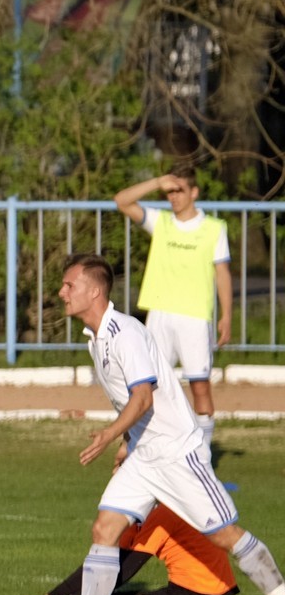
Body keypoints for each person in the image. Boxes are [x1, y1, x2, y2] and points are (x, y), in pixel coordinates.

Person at [43, 253, 284, 595]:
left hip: (177, 453)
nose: (61, 292)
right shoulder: (97, 340)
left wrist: (109, 435)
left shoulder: (125, 333)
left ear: (95, 291)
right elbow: (131, 404)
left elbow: (143, 397)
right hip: (145, 456)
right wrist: (127, 443)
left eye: (69, 285)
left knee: (224, 534)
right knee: (105, 527)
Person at [113, 172, 233, 449]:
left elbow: (222, 273)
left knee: (199, 386)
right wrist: (157, 182)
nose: (174, 197)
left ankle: (202, 454)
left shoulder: (214, 228)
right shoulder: (162, 222)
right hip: (160, 316)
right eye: (170, 192)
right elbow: (121, 201)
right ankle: (151, 449)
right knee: (149, 386)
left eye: (179, 190)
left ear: (194, 192)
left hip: (194, 317)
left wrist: (227, 315)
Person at [0, 503, 239, 595]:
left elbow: (125, 569)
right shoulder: (139, 514)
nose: (116, 473)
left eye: (122, 466)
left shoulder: (165, 511)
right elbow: (102, 566)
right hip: (179, 594)